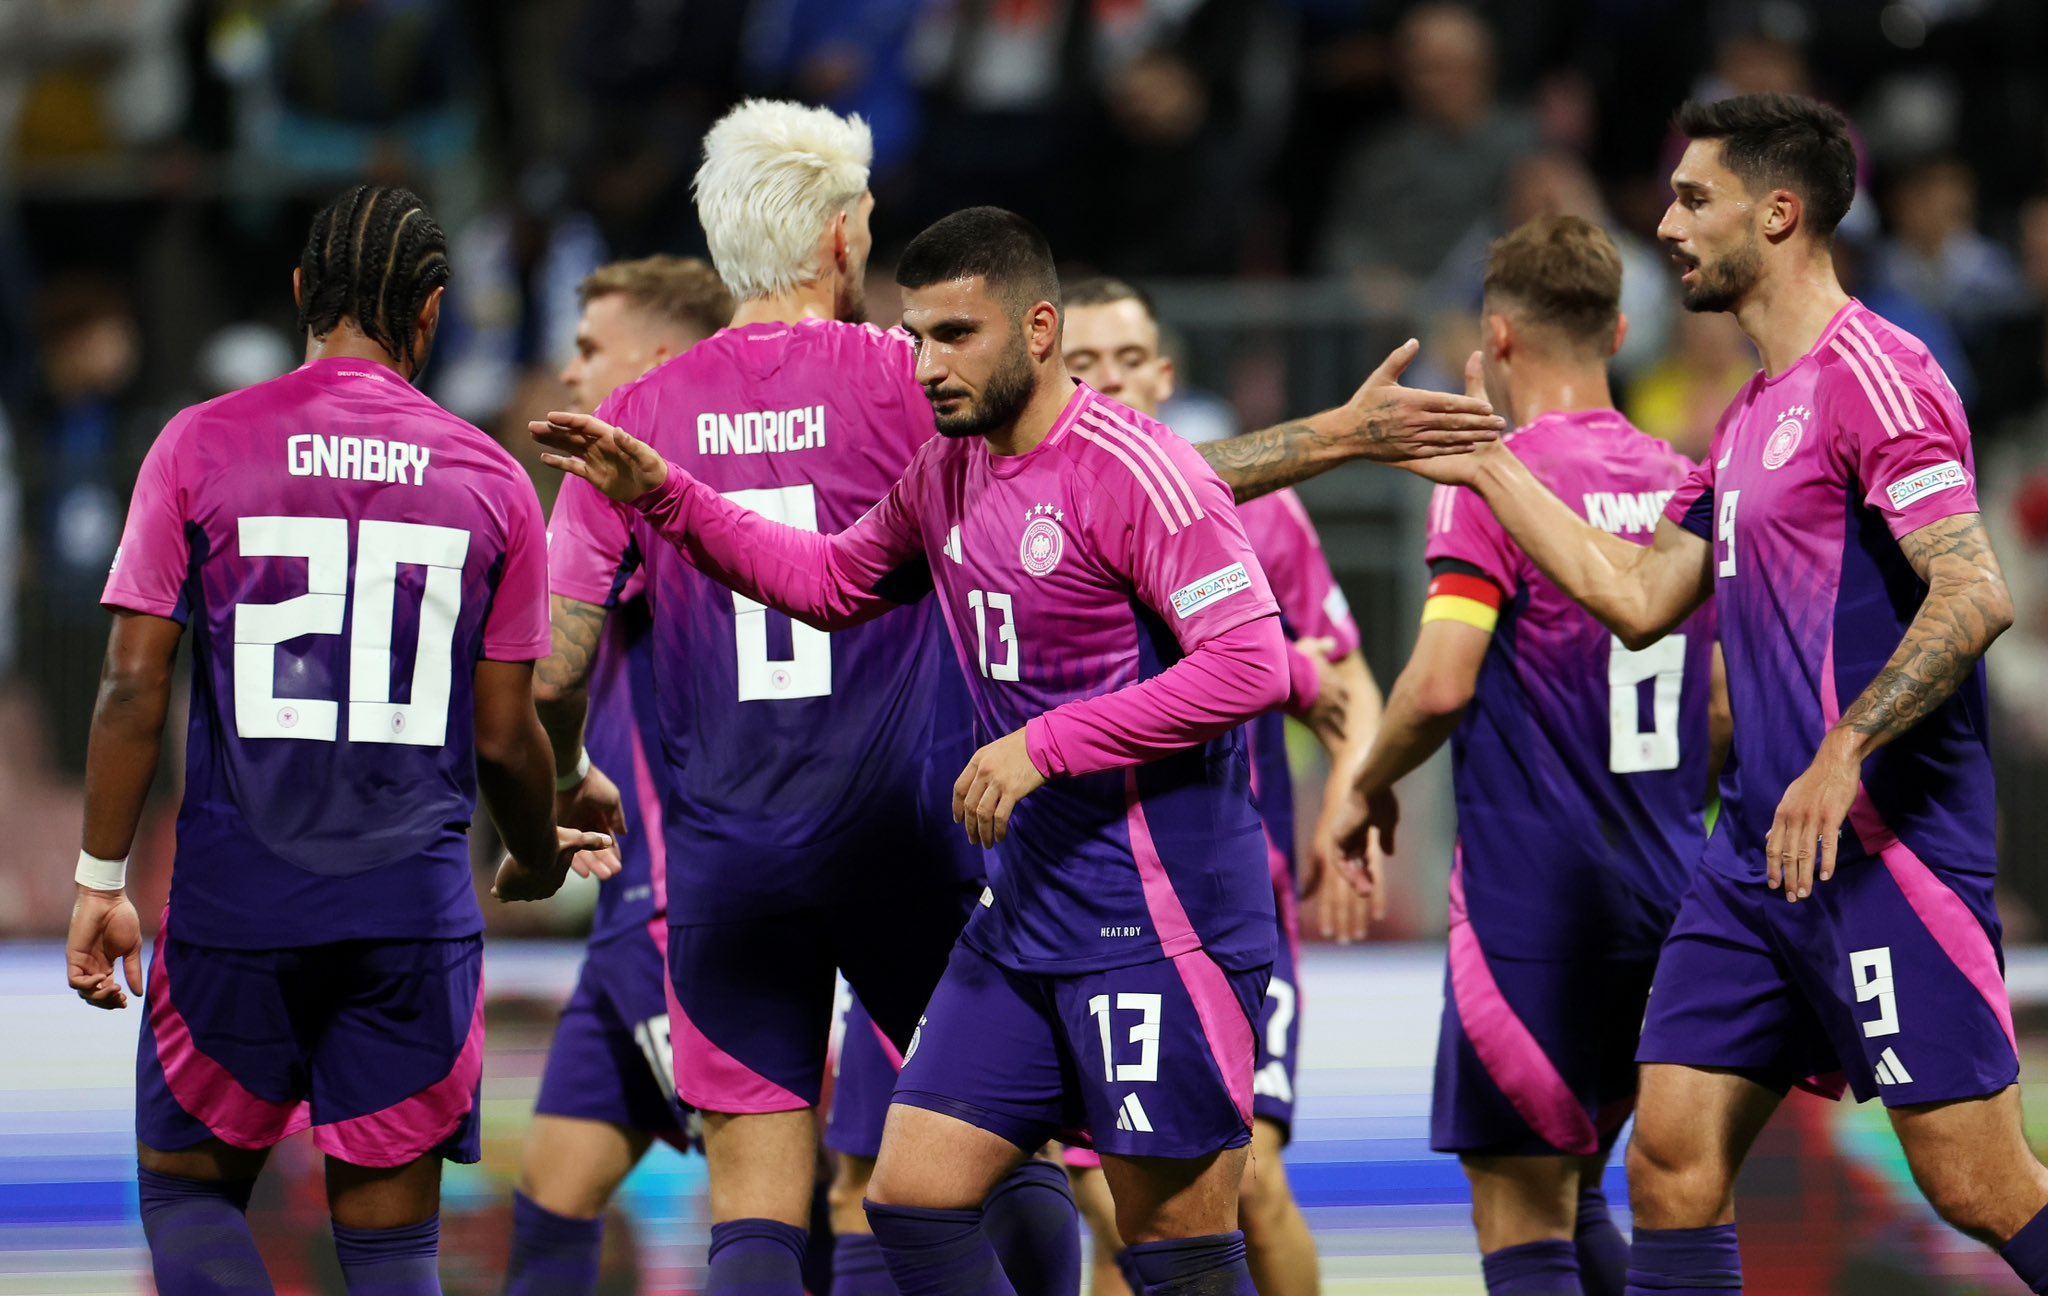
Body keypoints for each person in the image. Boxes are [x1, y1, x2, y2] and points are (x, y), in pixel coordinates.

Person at [538, 98, 1501, 1296]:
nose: (927, 360)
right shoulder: (930, 434)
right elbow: (843, 574)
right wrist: (667, 496)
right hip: (972, 875)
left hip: (1067, 898)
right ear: (842, 242)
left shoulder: (1116, 463)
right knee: (939, 1190)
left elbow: (1230, 641)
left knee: (1145, 1232)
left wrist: (1043, 744)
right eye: (916, 330)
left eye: (951, 334)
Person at [1385, 93, 2048, 1293]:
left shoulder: (1878, 376)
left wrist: (1842, 752)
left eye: (1694, 199)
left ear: (1777, 213)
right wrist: (1486, 466)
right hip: (1751, 861)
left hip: (1880, 851)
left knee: (1975, 1186)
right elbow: (1635, 594)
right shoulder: (1747, 412)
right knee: (1671, 1164)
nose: (1666, 224)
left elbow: (1972, 592)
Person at [62, 185, 611, 1296]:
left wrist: (101, 878)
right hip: (409, 920)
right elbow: (506, 737)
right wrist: (534, 853)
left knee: (190, 1197)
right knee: (391, 1254)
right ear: (433, 312)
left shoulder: (199, 444)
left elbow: (131, 684)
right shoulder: (493, 480)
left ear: (303, 289)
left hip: (237, 908)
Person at [1327, 215, 1721, 1296]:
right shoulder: (1684, 483)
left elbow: (1440, 682)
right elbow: (1724, 707)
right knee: (1596, 1190)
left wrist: (1362, 784)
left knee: (1522, 1214)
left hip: (1532, 909)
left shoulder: (1492, 477)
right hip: (1669, 895)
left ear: (1495, 337)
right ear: (1621, 332)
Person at [1057, 273, 1382, 1296]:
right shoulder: (1033, 514)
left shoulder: (1258, 513)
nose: (1110, 381)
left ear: (1164, 375)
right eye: (1082, 365)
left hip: (1233, 902)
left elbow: (1348, 684)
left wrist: (1344, 804)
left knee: (1252, 1184)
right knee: (1117, 1200)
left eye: (1127, 360)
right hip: (1080, 903)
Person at [505, 255, 733, 1294]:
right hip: (625, 908)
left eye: (591, 348)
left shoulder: (650, 497)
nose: (571, 371)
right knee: (553, 1196)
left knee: (779, 1187)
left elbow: (550, 676)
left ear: (658, 360)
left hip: (675, 903)